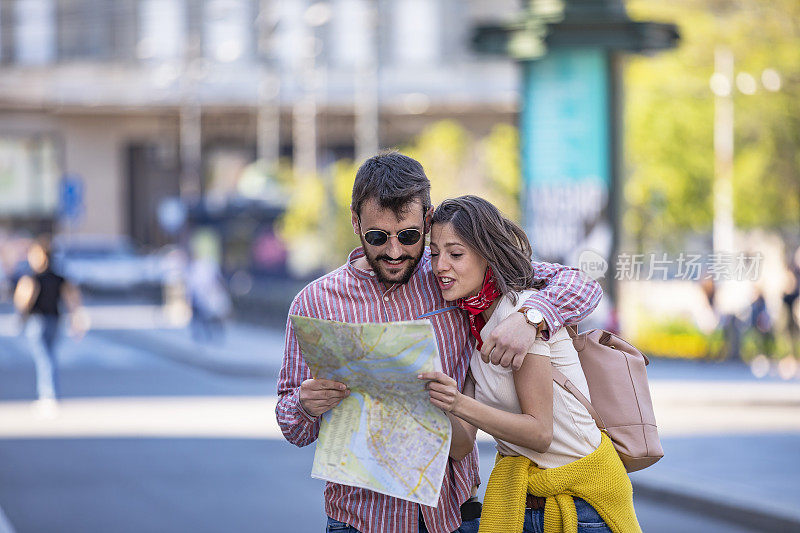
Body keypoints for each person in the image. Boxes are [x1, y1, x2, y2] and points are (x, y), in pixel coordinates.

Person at [276, 152, 603, 533]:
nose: (395, 251)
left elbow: (580, 284)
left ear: (428, 221)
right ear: (355, 222)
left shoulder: (451, 277)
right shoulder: (315, 303)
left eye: (410, 237)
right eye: (378, 238)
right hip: (361, 519)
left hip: (451, 516)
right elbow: (292, 426)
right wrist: (304, 404)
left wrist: (530, 318)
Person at [420, 196, 639, 533]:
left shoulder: (519, 314)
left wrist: (458, 402)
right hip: (525, 501)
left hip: (581, 505)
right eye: (434, 254)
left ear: (486, 254)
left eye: (455, 254)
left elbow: (539, 432)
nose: (440, 266)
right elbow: (463, 443)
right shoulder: (474, 322)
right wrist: (427, 393)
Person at [13, 239, 84, 411]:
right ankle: (48, 394)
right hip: (55, 319)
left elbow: (23, 299)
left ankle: (48, 395)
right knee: (48, 356)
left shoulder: (32, 277)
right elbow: (72, 299)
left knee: (44, 358)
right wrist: (76, 319)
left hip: (37, 321)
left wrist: (20, 316)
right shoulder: (59, 277)